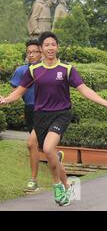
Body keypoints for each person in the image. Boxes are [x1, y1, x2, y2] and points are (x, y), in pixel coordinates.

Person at [0, 32, 107, 207]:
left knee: (48, 148)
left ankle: (57, 185)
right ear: (41, 49)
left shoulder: (66, 69)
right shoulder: (33, 70)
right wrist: (5, 99)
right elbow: (19, 91)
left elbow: (84, 89)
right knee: (51, 154)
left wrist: (106, 103)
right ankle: (68, 186)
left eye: (53, 44)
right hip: (41, 115)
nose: (50, 48)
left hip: (61, 114)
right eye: (46, 45)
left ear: (57, 47)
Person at [10, 40, 42, 192]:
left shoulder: (48, 69)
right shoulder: (21, 71)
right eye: (29, 52)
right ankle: (56, 155)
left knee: (31, 143)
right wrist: (5, 99)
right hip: (30, 110)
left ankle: (33, 180)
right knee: (38, 144)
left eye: (35, 51)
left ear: (41, 52)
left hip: (47, 111)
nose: (31, 54)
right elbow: (17, 92)